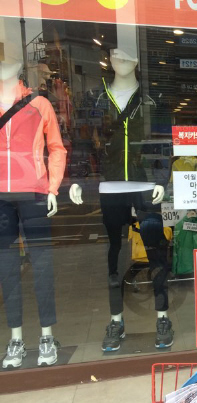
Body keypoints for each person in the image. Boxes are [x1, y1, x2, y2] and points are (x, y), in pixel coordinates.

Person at [69, 48, 172, 352]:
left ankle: (163, 316)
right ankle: (116, 320)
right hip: (109, 185)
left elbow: (164, 141)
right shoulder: (95, 99)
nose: (119, 58)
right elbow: (82, 139)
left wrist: (161, 179)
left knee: (155, 250)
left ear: (137, 63)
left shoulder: (153, 100)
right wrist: (76, 178)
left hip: (144, 185)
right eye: (114, 54)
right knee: (114, 252)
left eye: (126, 55)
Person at [0, 57, 67, 368]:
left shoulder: (39, 103)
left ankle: (46, 333)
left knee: (42, 265)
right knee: (7, 269)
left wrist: (53, 188)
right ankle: (15, 337)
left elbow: (56, 147)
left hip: (34, 192)